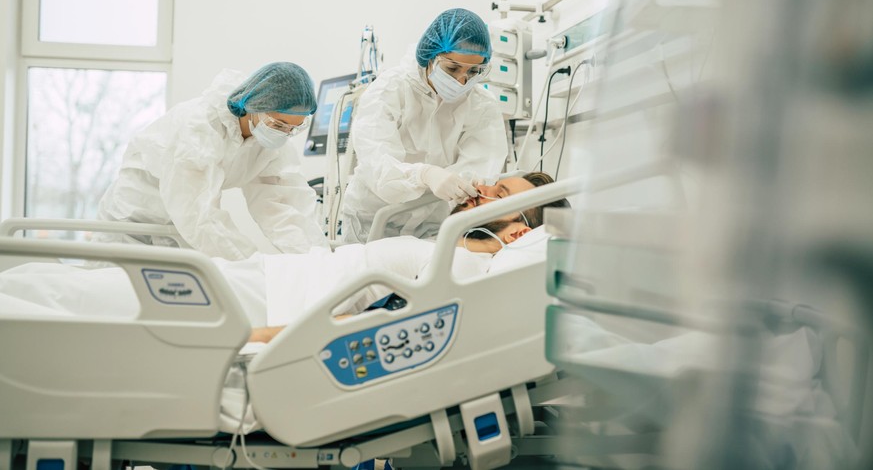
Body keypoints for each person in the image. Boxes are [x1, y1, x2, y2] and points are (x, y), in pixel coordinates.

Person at [3, 173, 567, 343]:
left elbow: (377, 323)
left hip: (265, 302)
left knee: (88, 301)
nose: (481, 191)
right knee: (65, 283)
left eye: (499, 196)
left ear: (519, 232)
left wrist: (259, 336)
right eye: (491, 183)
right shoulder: (449, 244)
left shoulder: (466, 267)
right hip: (265, 279)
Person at [93, 62, 328, 261]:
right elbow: (198, 213)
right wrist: (251, 264)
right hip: (133, 224)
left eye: (294, 128)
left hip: (180, 233)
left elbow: (283, 208)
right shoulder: (200, 128)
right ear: (255, 106)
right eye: (278, 124)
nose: (284, 133)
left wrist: (317, 260)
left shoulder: (269, 145)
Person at [341, 8, 508, 244]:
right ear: (429, 56)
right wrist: (423, 175)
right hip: (372, 222)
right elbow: (377, 166)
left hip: (433, 226)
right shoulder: (389, 90)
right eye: (452, 68)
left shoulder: (481, 105)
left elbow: (482, 166)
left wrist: (465, 184)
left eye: (473, 71)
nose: (462, 81)